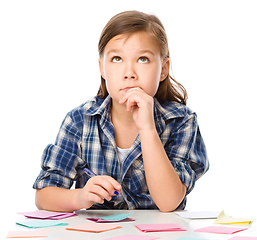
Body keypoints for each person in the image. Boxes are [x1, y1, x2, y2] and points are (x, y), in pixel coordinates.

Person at [33, 10, 209, 212]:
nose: (129, 73)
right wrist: (79, 197)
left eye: (143, 59)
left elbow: (169, 202)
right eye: (117, 59)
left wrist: (147, 129)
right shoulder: (79, 120)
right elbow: (44, 196)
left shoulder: (181, 121)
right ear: (102, 68)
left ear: (163, 69)